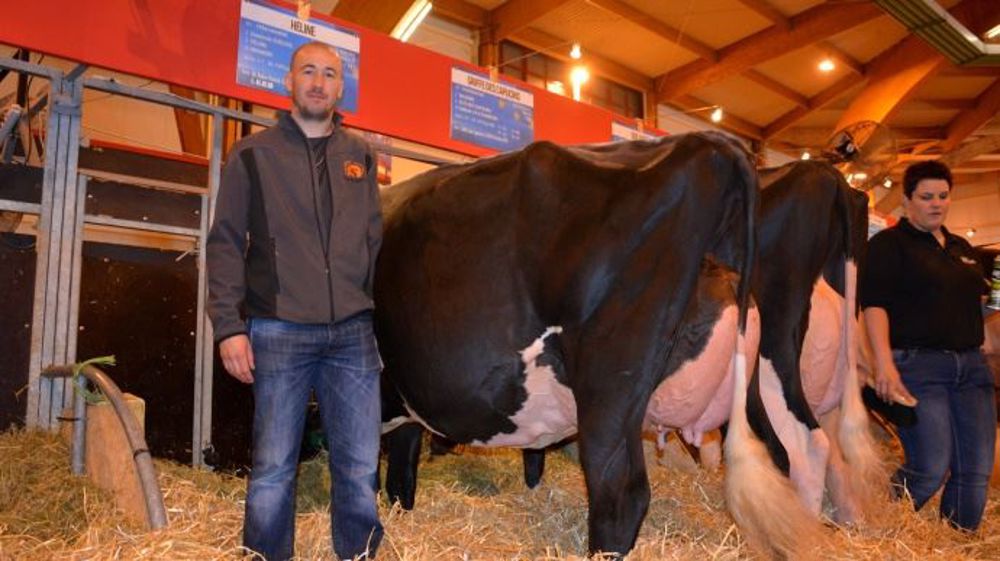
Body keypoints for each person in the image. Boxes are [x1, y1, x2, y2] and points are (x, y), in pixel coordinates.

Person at [207, 41, 383, 560]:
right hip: (280, 329)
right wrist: (229, 327)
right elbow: (223, 243)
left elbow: (373, 242)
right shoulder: (253, 155)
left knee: (359, 464)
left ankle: (358, 554)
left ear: (339, 87)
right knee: (273, 468)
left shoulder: (360, 156)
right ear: (288, 82)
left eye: (329, 74)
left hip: (353, 333)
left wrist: (372, 314)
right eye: (308, 71)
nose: (318, 82)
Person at [860, 160, 996, 531]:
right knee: (929, 467)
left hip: (971, 368)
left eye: (943, 196)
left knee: (975, 469)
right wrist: (883, 363)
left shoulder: (961, 248)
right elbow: (874, 305)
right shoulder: (889, 245)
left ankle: (957, 542)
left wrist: (986, 319)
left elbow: (974, 305)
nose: (936, 203)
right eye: (926, 197)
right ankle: (877, 532)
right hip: (918, 366)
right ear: (906, 201)